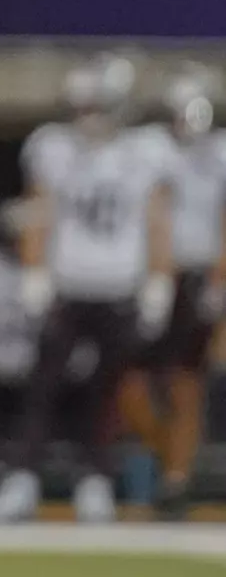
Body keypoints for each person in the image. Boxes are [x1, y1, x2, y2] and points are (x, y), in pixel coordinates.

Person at [0, 54, 177, 524]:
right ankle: (22, 479)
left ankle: (96, 481)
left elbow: (157, 221)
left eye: (97, 107)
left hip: (120, 288)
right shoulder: (53, 147)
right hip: (66, 287)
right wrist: (34, 274)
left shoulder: (146, 152)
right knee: (42, 390)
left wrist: (159, 282)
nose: (88, 117)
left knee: (107, 393)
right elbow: (39, 212)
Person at [120, 66, 226, 520]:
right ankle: (166, 456)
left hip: (197, 272)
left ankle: (176, 479)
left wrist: (220, 280)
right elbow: (151, 210)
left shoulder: (220, 153)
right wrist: (154, 277)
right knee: (129, 384)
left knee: (187, 382)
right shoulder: (147, 148)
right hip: (145, 273)